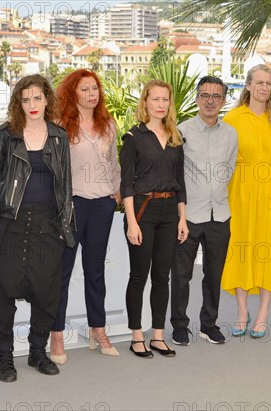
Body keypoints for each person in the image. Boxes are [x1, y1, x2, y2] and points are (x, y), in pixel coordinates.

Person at [0, 74, 74, 382]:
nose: (32, 105)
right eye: (25, 99)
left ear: (47, 100)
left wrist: (63, 228)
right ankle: (4, 357)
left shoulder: (59, 136)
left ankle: (37, 352)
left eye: (37, 98)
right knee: (1, 293)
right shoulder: (7, 135)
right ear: (19, 103)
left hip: (48, 225)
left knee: (47, 293)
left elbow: (66, 186)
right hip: (9, 222)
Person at [49, 69, 121, 364]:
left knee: (95, 271)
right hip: (72, 206)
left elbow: (113, 162)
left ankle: (98, 329)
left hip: (102, 206)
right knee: (62, 273)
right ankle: (56, 335)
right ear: (72, 94)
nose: (92, 94)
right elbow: (53, 169)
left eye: (95, 89)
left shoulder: (108, 124)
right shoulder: (59, 125)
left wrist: (115, 191)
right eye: (85, 89)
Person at [221, 64, 271, 338]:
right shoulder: (233, 118)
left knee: (270, 252)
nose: (264, 87)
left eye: (268, 83)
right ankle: (242, 312)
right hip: (239, 193)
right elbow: (223, 161)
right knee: (240, 249)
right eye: (259, 82)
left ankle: (262, 313)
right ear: (248, 85)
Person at [120, 79, 188, 358]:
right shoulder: (133, 138)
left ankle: (158, 336)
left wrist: (182, 218)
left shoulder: (175, 138)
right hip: (141, 210)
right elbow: (125, 184)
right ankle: (137, 336)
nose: (161, 105)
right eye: (155, 99)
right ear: (145, 102)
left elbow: (180, 181)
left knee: (162, 277)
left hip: (170, 211)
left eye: (165, 100)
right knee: (139, 276)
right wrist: (132, 222)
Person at [171, 76, 238, 346]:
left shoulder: (231, 133)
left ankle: (209, 324)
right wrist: (180, 214)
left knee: (214, 274)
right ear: (197, 98)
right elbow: (175, 173)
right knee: (182, 274)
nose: (211, 101)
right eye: (205, 95)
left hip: (220, 214)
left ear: (223, 101)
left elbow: (229, 170)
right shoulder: (182, 130)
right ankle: (179, 326)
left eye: (216, 96)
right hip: (189, 215)